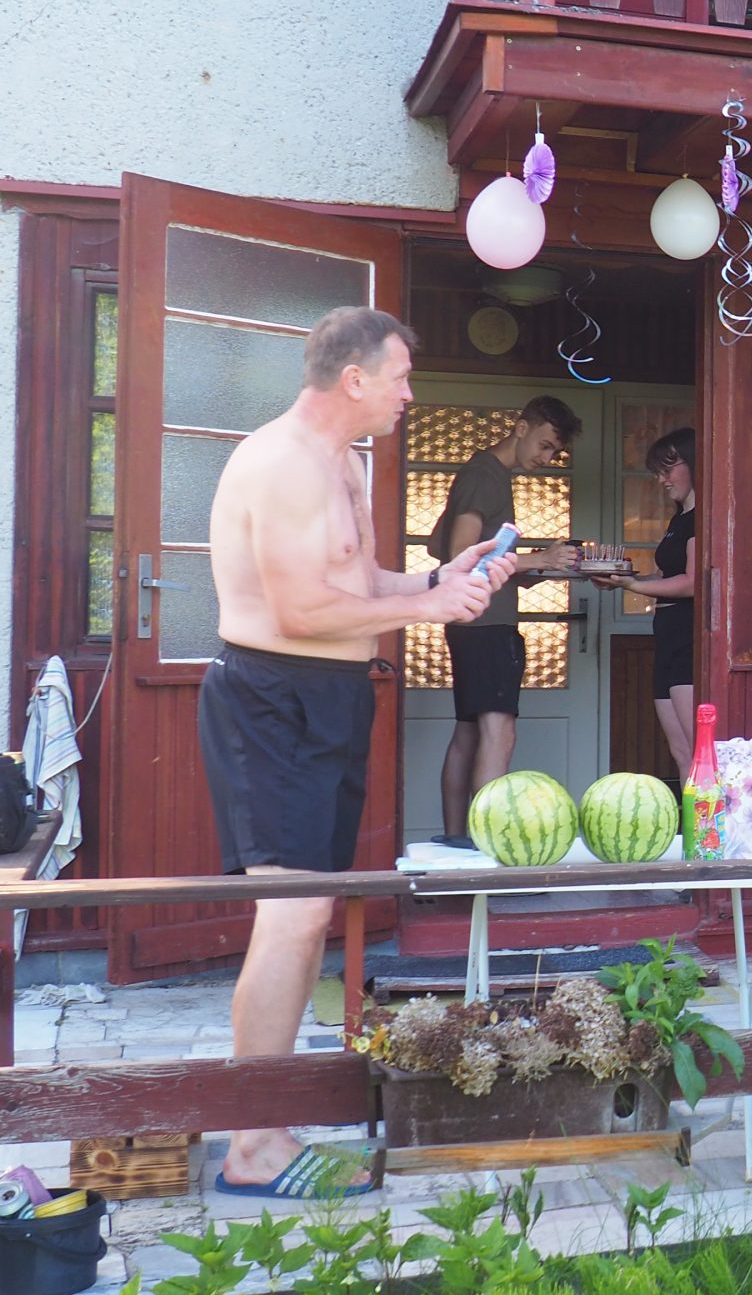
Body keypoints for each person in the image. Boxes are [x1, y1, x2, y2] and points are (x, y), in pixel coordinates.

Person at [201, 307, 518, 1196]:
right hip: (272, 697)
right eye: (402, 377)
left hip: (335, 697)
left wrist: (439, 577)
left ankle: (269, 1127)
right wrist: (424, 611)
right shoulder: (280, 462)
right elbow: (300, 610)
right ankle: (250, 1146)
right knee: (291, 913)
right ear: (354, 379)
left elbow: (356, 580)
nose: (409, 394)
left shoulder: (346, 463)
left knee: (311, 914)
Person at [427, 396, 583, 843]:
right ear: (521, 427)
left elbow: (440, 546)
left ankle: (457, 839)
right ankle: (486, 845)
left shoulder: (485, 474)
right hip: (486, 627)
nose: (547, 458)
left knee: (469, 733)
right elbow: (459, 555)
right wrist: (539, 558)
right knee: (500, 733)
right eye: (545, 445)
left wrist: (539, 566)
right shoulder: (485, 475)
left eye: (555, 452)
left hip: (471, 622)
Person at [593, 428, 698, 769]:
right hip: (666, 635)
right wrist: (625, 580)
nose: (662, 480)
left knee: (700, 753)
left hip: (689, 637)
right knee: (681, 752)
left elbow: (692, 583)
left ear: (694, 463)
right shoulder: (678, 519)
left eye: (668, 469)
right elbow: (667, 577)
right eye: (658, 472)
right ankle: (690, 808)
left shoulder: (702, 518)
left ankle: (710, 809)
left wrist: (633, 587)